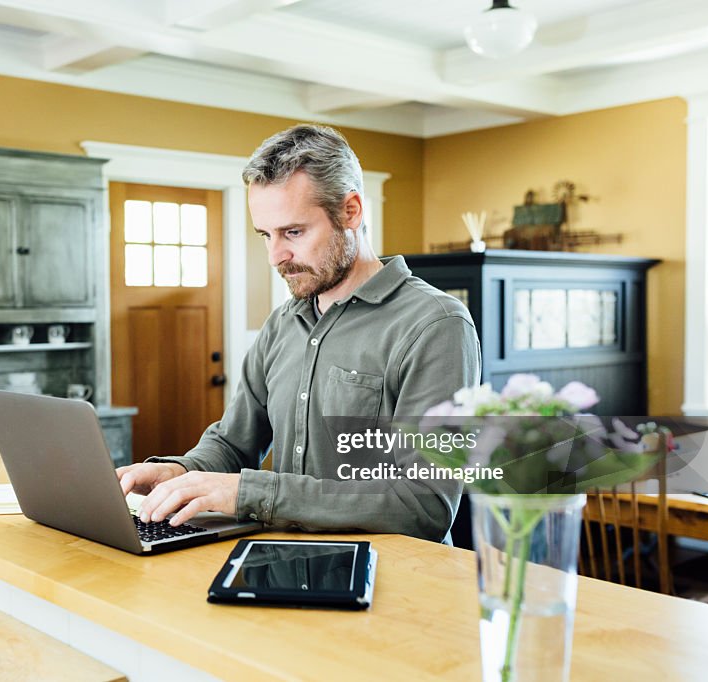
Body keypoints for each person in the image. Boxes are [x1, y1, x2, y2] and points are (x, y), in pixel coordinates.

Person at [117, 124, 480, 542]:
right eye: (265, 236)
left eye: (294, 232)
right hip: (285, 565)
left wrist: (253, 491)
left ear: (351, 211)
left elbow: (423, 505)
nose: (276, 256)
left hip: (389, 583)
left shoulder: (436, 326)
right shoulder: (283, 324)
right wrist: (180, 471)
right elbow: (234, 444)